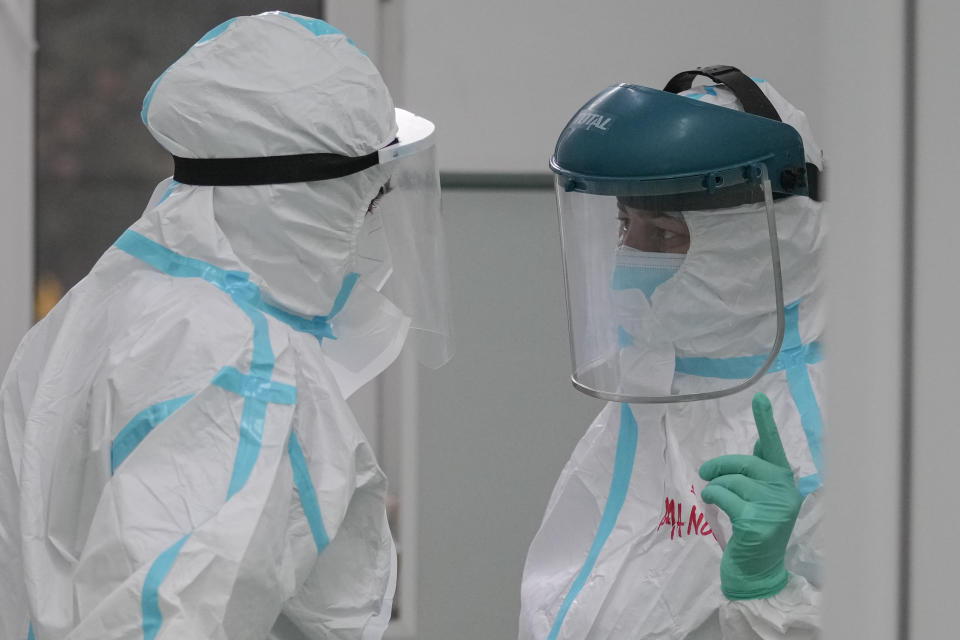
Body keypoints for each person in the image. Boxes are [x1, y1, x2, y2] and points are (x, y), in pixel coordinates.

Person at [0, 11, 451, 640]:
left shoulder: (113, 297)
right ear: (309, 200)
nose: (372, 224)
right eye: (367, 195)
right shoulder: (243, 366)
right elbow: (166, 621)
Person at [519, 66, 824, 639]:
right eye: (623, 225)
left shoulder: (827, 423)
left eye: (663, 234)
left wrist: (770, 596)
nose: (628, 263)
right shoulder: (656, 389)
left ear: (756, 243)